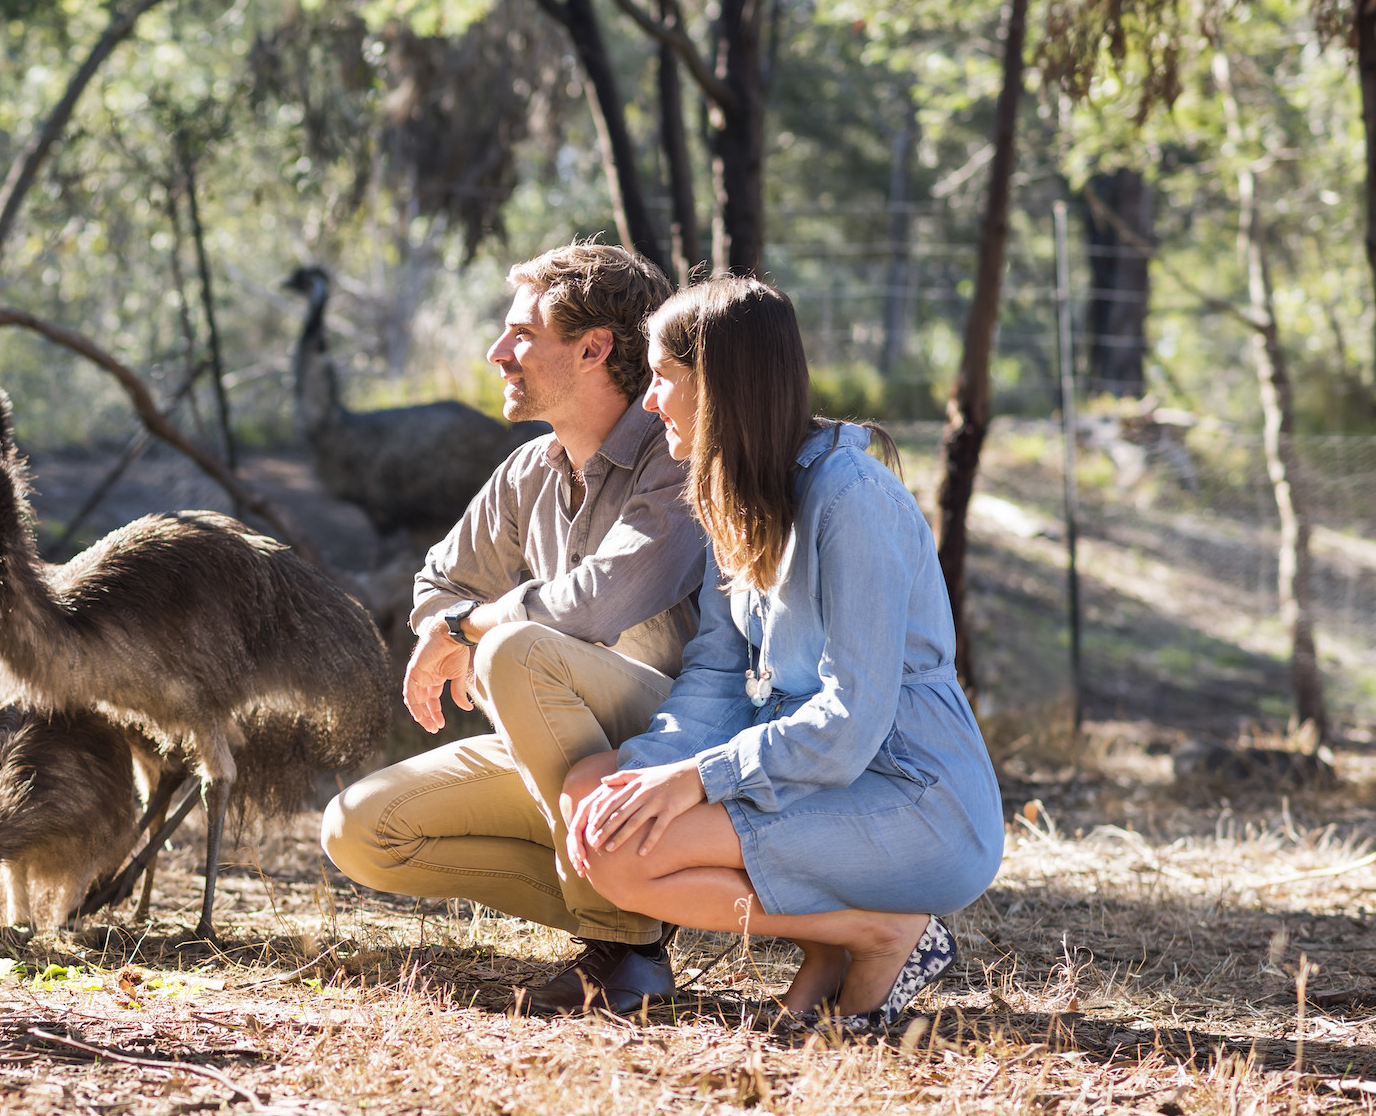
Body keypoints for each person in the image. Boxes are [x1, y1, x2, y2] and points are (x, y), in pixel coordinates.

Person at [563, 277, 1004, 1030]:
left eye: (663, 379)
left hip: (914, 795)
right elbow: (714, 675)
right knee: (592, 791)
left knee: (622, 858)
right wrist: (648, 771)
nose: (649, 401)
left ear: (722, 385)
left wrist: (697, 779)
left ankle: (884, 932)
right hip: (815, 779)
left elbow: (850, 721)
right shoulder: (731, 493)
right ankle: (832, 949)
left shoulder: (849, 498)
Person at [320, 242, 709, 1013]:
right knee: (359, 829)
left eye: (521, 335)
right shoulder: (530, 469)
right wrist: (451, 627)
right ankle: (646, 906)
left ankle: (621, 952)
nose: (499, 353)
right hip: (562, 752)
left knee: (518, 648)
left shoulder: (675, 459)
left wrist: (474, 633)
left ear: (595, 348)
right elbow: (440, 583)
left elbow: (597, 603)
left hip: (677, 751)